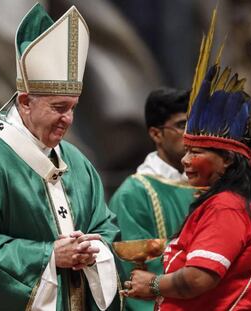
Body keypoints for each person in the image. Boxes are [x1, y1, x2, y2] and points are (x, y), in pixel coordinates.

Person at [0, 4, 119, 311]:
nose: (68, 119)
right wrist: (48, 256)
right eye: (59, 108)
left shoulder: (77, 161)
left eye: (73, 107)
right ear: (25, 102)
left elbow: (106, 226)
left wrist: (95, 249)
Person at [120, 30, 251, 308]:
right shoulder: (221, 202)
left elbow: (196, 279)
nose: (185, 159)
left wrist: (152, 284)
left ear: (227, 159)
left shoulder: (226, 207)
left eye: (196, 152)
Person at [109, 87, 196, 311]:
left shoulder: (208, 183)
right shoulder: (134, 194)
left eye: (194, 123)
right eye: (181, 125)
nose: (191, 132)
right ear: (156, 134)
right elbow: (133, 276)